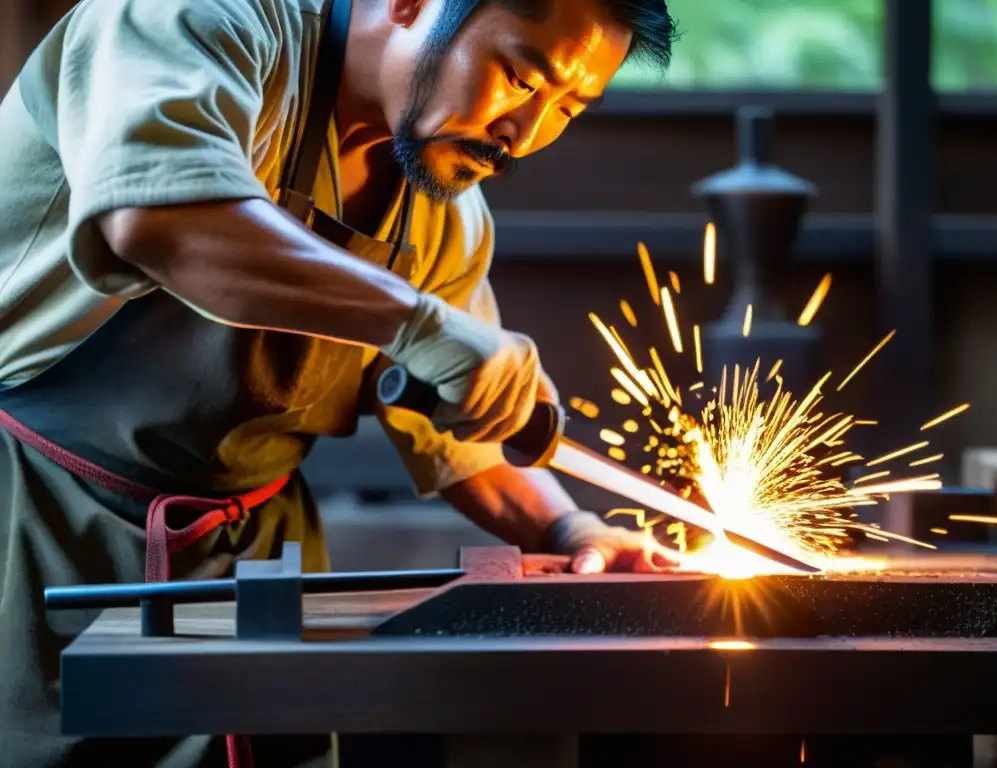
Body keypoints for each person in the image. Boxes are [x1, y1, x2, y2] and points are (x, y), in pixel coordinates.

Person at [0, 0, 678, 765]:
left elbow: (468, 434)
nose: (527, 134)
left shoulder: (443, 210)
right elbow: (160, 218)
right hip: (39, 532)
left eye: (569, 107)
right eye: (523, 78)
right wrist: (420, 325)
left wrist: (570, 531)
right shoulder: (196, 21)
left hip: (259, 572)